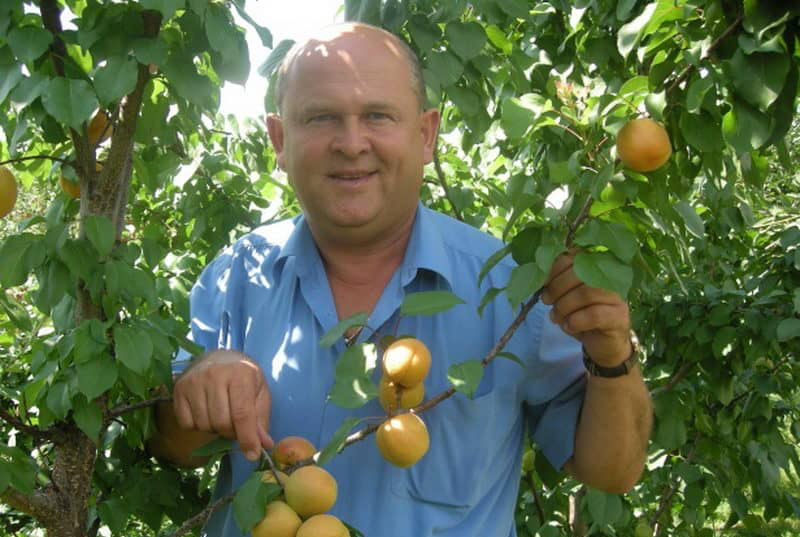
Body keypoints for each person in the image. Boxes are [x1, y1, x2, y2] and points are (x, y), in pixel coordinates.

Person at [148, 22, 653, 537]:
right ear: (280, 140)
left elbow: (613, 471)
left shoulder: (508, 288)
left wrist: (612, 355)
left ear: (426, 135)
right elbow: (173, 447)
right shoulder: (238, 276)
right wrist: (197, 392)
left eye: (378, 116)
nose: (351, 143)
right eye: (321, 117)